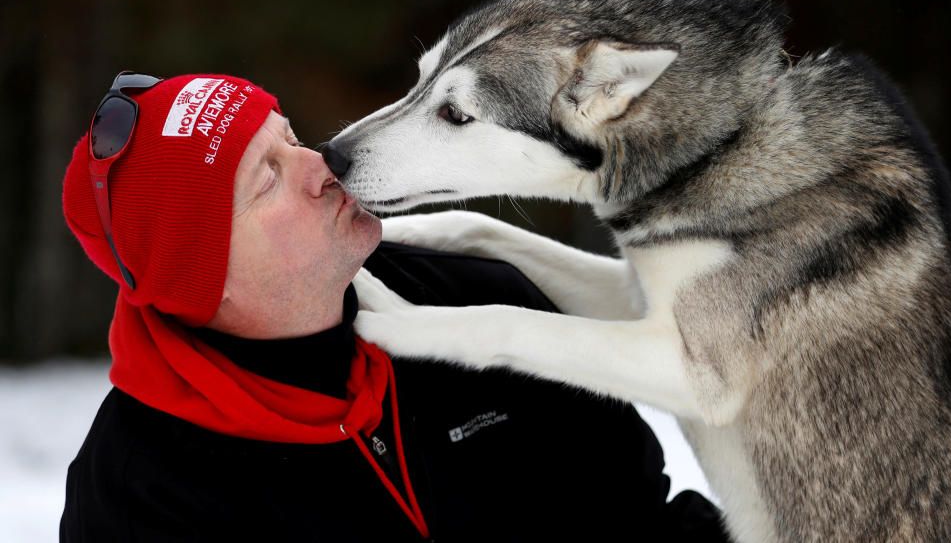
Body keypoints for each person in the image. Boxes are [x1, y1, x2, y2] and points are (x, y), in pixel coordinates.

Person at [59, 72, 728, 542]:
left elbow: (642, 519)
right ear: (205, 279)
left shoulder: (477, 303)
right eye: (268, 177)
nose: (321, 165)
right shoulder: (137, 495)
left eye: (290, 137)